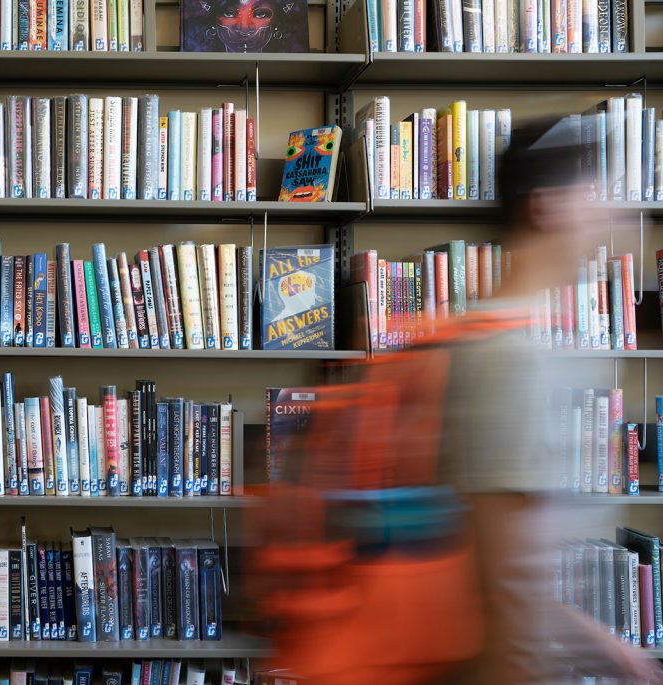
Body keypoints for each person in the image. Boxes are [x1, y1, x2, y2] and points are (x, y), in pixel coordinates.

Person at [250, 117, 663, 684]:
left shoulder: (469, 337)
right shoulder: (505, 360)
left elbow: (477, 557)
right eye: (597, 197)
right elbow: (503, 597)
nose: (613, 217)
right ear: (547, 207)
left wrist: (602, 646)